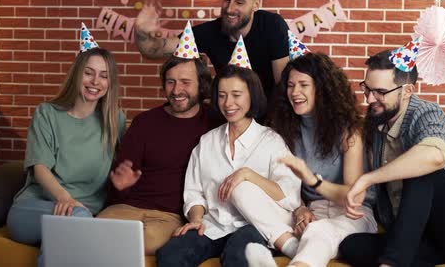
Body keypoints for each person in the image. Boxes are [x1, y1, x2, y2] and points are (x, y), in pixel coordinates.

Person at [338, 45, 445, 266]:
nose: (370, 99)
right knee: (351, 246)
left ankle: (392, 263)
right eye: (366, 89)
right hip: (414, 238)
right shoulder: (374, 125)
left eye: (380, 92)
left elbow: (434, 156)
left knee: (422, 172)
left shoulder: (427, 113)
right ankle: (401, 257)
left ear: (407, 91)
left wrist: (368, 178)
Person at [155, 64, 301, 267]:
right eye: (222, 95)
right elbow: (194, 192)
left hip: (255, 226)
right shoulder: (207, 142)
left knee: (237, 256)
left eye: (236, 94)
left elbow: (289, 196)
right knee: (171, 254)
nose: (228, 103)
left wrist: (249, 175)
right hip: (214, 225)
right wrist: (196, 219)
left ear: (252, 96)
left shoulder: (271, 141)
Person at [245, 48, 377, 267]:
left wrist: (312, 180)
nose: (295, 92)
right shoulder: (285, 129)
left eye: (304, 85)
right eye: (290, 85)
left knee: (320, 230)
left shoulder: (349, 132)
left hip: (353, 215)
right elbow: (285, 187)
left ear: (322, 89)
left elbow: (351, 197)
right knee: (244, 190)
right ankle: (296, 248)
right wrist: (300, 209)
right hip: (309, 212)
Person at [6, 24, 126, 265]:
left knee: (76, 231)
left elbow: (119, 169)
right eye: (88, 72)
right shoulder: (47, 114)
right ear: (76, 74)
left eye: (104, 75)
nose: (95, 81)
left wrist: (122, 181)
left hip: (84, 215)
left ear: (110, 82)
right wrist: (66, 200)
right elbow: (40, 168)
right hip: (36, 208)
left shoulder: (116, 120)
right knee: (78, 225)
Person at [98, 22, 220, 254]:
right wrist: (119, 185)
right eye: (170, 82)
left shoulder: (215, 124)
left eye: (185, 82)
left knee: (133, 245)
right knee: (89, 236)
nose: (176, 90)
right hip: (125, 208)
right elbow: (119, 185)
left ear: (202, 85)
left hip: (168, 217)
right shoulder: (145, 122)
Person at [133, 0, 289, 96]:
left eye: (239, 2)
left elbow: (283, 86)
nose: (230, 8)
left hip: (270, 118)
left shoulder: (272, 26)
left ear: (256, 4)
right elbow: (154, 50)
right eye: (226, 0)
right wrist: (141, 30)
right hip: (229, 114)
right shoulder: (211, 32)